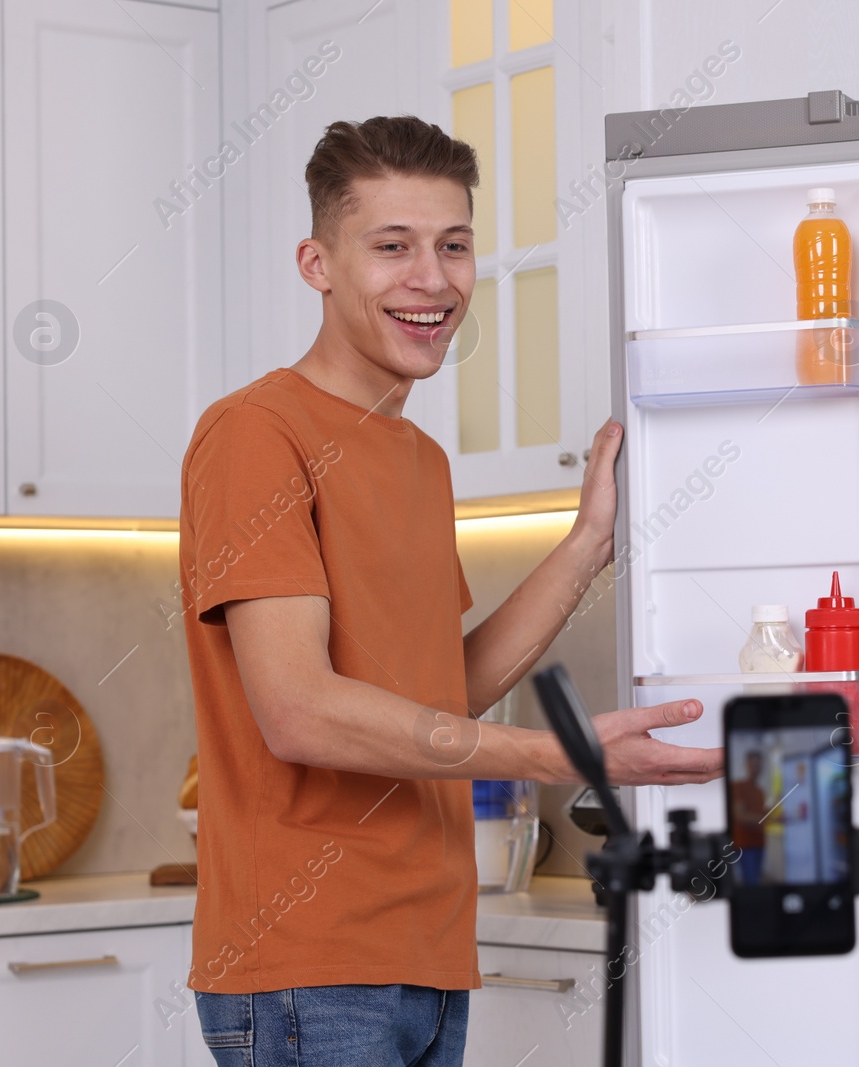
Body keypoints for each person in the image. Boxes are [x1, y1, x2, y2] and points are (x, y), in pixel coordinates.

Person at [178, 115, 721, 1067]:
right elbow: (299, 713)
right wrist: (553, 754)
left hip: (426, 954)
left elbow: (439, 692)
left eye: (454, 245)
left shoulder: (420, 459)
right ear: (318, 262)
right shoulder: (257, 434)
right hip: (309, 962)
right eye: (392, 247)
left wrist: (590, 541)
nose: (431, 279)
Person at [728, 749, 769, 885]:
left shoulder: (760, 791)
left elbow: (762, 814)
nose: (756, 768)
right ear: (747, 765)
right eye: (753, 764)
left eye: (758, 765)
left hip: (759, 844)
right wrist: (764, 818)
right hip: (744, 846)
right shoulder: (738, 787)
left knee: (755, 880)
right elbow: (740, 816)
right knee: (751, 883)